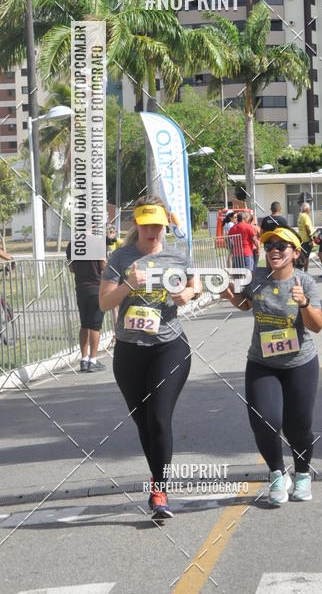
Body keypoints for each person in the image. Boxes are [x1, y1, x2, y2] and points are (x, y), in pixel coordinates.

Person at [99, 195, 200, 521]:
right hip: (129, 352)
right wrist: (128, 284)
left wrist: (187, 293)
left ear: (164, 226)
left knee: (158, 417)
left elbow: (194, 285)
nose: (153, 231)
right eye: (148, 225)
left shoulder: (176, 255)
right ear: (137, 224)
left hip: (168, 347)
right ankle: (158, 480)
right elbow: (103, 304)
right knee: (144, 423)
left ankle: (159, 490)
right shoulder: (121, 257)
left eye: (158, 225)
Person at [220, 225, 322, 506]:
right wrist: (231, 296)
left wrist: (304, 304)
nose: (274, 250)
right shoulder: (257, 278)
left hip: (300, 363)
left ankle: (302, 474)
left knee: (298, 426)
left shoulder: (305, 283)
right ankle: (277, 474)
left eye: (281, 246)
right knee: (265, 421)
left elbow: (317, 326)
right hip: (262, 363)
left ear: (295, 252)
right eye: (269, 246)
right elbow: (246, 304)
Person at [65, 240, 107, 373]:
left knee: (84, 324)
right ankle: (93, 360)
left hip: (81, 287)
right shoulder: (97, 243)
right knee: (95, 325)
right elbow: (103, 265)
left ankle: (84, 359)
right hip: (96, 286)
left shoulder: (73, 244)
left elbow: (71, 267)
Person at [297, 202, 314, 272]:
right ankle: (305, 272)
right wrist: (311, 239)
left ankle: (302, 271)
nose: (310, 210)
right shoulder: (305, 216)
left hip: (301, 239)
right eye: (309, 208)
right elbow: (307, 228)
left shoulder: (300, 216)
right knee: (306, 257)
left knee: (303, 256)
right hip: (306, 240)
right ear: (307, 209)